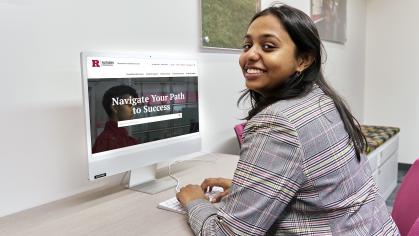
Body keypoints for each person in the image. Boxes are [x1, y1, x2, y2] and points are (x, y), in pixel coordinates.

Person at [176, 4, 400, 235]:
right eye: (247, 45)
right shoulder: (322, 99)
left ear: (303, 60)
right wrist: (252, 193)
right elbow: (319, 185)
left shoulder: (277, 122)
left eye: (268, 46)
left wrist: (194, 200)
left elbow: (226, 233)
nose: (250, 54)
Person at [92, 85, 139, 153]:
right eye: (129, 105)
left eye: (134, 106)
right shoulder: (107, 141)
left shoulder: (123, 138)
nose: (133, 110)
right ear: (115, 108)